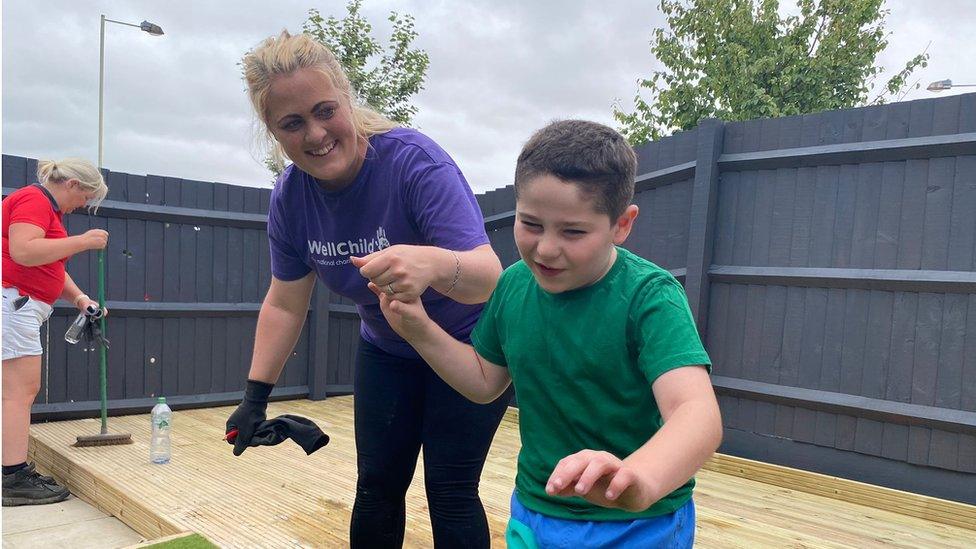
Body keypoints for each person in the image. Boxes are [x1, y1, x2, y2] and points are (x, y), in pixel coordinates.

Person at [374, 120, 723, 548]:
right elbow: (485, 382)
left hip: (639, 524)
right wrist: (418, 328)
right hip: (537, 512)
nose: (545, 248)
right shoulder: (513, 285)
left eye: (572, 231)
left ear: (622, 224)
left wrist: (640, 477)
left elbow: (697, 414)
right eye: (531, 224)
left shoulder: (649, 298)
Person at [225, 30, 508, 548]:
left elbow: (490, 278)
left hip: (468, 347)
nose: (315, 134)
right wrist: (254, 396)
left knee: (449, 489)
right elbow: (286, 302)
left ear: (346, 99)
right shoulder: (290, 200)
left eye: (325, 110)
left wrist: (430, 263)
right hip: (387, 349)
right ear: (274, 133)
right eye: (292, 123)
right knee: (377, 485)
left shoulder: (414, 163)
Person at [2, 158, 109, 507]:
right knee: (20, 391)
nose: (83, 206)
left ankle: (11, 468)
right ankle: (13, 477)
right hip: (14, 303)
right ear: (74, 184)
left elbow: (49, 264)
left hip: (18, 303)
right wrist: (82, 242)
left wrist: (80, 299)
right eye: (86, 198)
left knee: (15, 391)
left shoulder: (47, 210)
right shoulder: (35, 200)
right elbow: (24, 251)